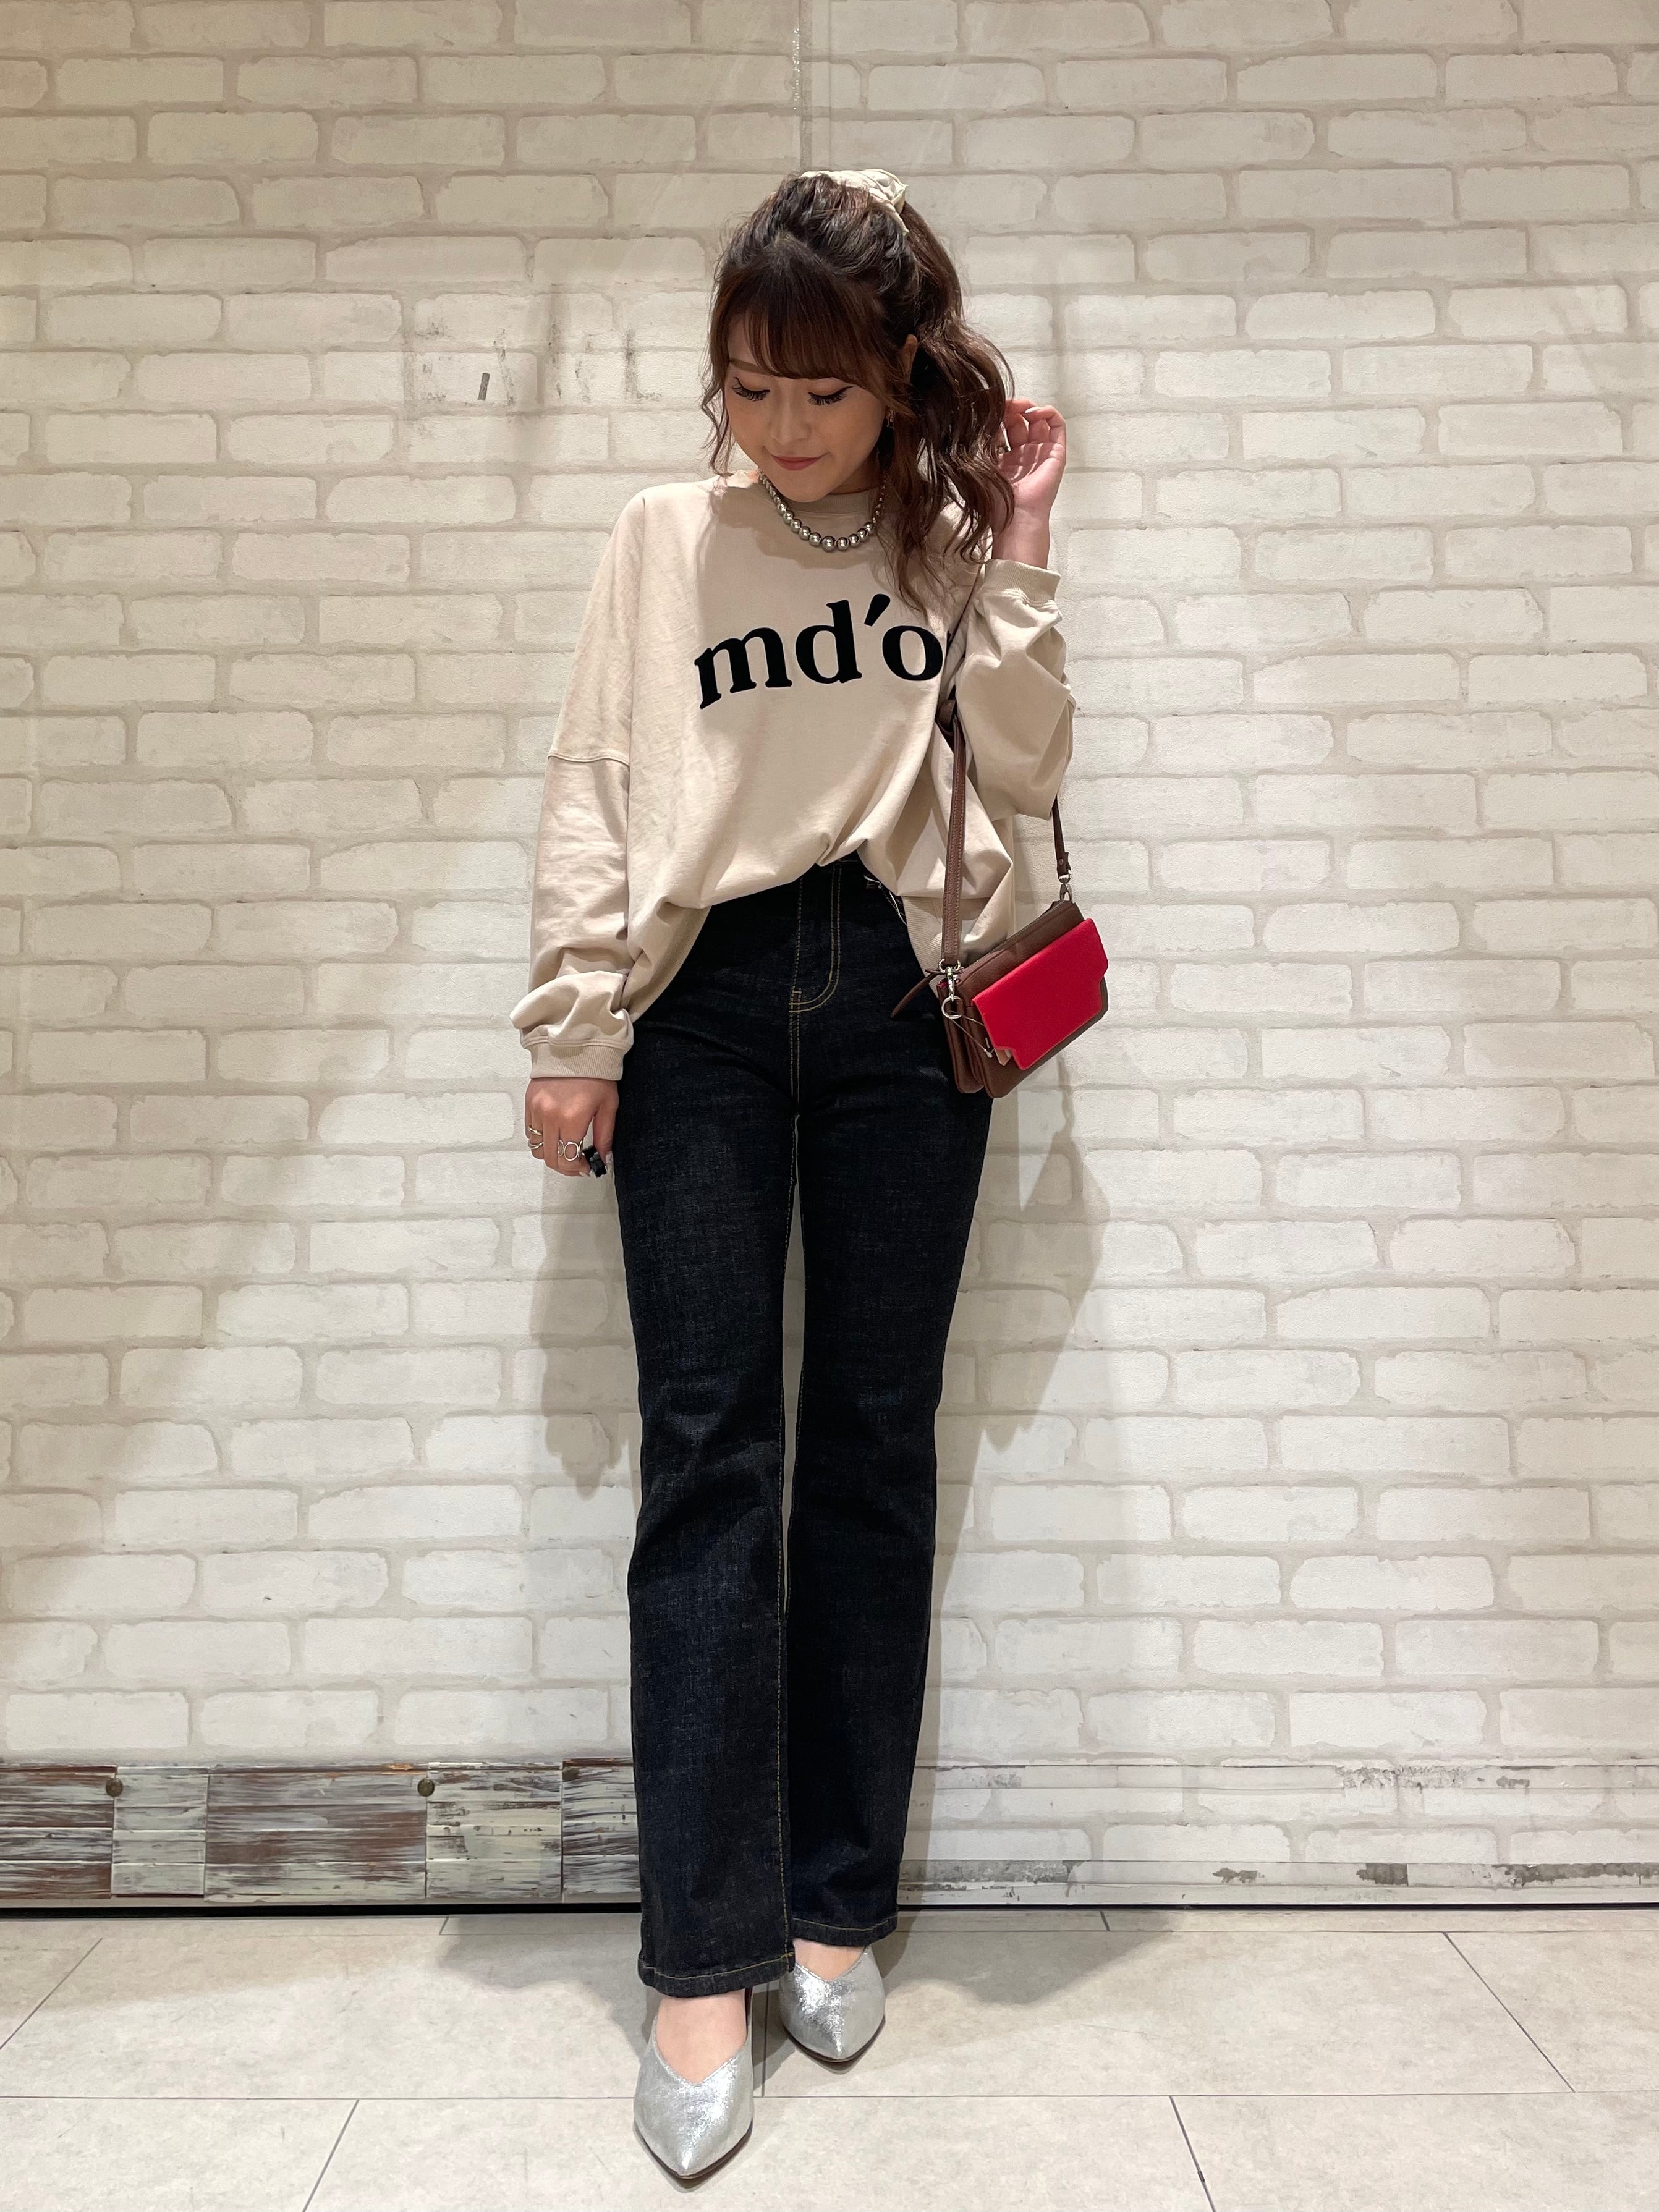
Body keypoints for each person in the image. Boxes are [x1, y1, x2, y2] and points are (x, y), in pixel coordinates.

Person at [512, 165, 1073, 2179]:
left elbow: (1025, 767)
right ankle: (699, 1962)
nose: (780, 427)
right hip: (704, 1008)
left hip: (910, 1003)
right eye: (747, 387)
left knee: (869, 1446)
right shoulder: (664, 539)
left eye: (820, 389)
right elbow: (597, 780)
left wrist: (1017, 541)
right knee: (707, 1458)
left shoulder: (940, 541)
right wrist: (572, 1023)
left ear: (896, 374)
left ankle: (834, 1899)